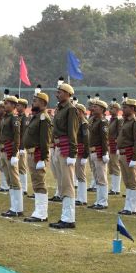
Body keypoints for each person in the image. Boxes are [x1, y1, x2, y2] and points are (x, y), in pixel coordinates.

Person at [49, 83, 80, 229]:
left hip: (66, 149)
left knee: (67, 184)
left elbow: (72, 132)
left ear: (68, 94)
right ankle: (64, 216)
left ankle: (68, 218)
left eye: (60, 92)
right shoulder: (60, 109)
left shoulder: (71, 109)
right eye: (57, 92)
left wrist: (73, 153)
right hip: (57, 147)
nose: (57, 94)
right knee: (62, 184)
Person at [23, 92, 53, 222]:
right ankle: (38, 211)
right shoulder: (36, 117)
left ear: (43, 103)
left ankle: (41, 213)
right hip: (31, 153)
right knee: (35, 183)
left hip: (37, 154)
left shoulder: (43, 118)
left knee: (39, 183)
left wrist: (43, 158)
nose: (33, 102)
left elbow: (45, 140)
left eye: (35, 101)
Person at [117, 97, 136, 215]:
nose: (123, 109)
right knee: (127, 181)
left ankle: (132, 207)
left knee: (132, 181)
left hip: (129, 153)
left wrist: (134, 157)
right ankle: (128, 206)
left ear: (132, 108)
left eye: (125, 107)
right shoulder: (125, 121)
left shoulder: (135, 122)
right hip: (123, 153)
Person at [0, 95, 23, 217]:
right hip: (3, 150)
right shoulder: (5, 117)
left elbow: (17, 136)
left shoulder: (14, 118)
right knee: (9, 180)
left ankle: (18, 208)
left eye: (7, 103)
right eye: (5, 103)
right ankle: (13, 206)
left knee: (14, 179)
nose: (5, 105)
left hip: (10, 150)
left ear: (14, 106)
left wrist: (14, 154)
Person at [87, 99, 110, 209]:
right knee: (96, 178)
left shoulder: (102, 122)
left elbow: (104, 139)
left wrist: (105, 153)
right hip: (92, 151)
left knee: (101, 178)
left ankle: (103, 201)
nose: (93, 108)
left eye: (96, 107)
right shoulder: (93, 120)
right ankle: (98, 200)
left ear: (102, 109)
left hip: (99, 151)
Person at [74, 104, 91, 206]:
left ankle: (82, 198)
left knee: (81, 175)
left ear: (81, 111)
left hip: (81, 151)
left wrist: (85, 155)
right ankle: (80, 197)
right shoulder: (78, 122)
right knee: (78, 175)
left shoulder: (84, 123)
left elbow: (86, 140)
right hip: (78, 150)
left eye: (77, 111)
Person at [107, 100, 122, 195]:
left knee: (116, 166)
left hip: (114, 145)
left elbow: (120, 133)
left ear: (117, 109)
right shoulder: (111, 120)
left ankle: (116, 189)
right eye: (110, 108)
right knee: (111, 167)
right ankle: (113, 187)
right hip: (109, 144)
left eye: (112, 108)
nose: (110, 110)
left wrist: (118, 146)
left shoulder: (118, 120)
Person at [16, 98, 31, 198]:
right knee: (17, 167)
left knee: (22, 167)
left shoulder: (25, 119)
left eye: (19, 105)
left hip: (21, 146)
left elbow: (24, 134)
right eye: (17, 105)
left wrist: (22, 147)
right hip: (16, 145)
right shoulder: (17, 117)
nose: (17, 107)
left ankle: (24, 188)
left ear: (25, 107)